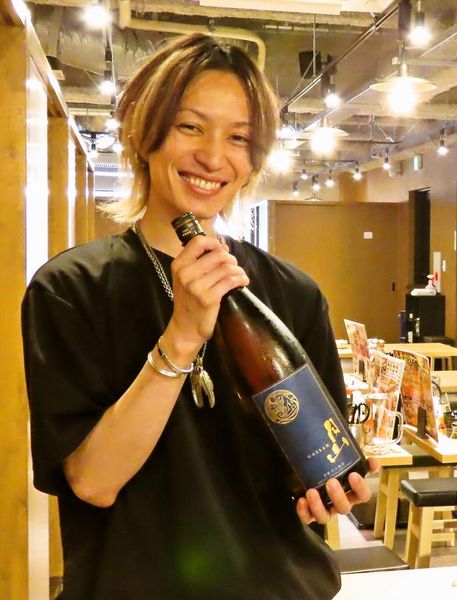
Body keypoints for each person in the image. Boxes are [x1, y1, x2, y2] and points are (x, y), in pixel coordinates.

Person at [22, 33, 376, 600]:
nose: (214, 158)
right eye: (190, 127)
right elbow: (92, 482)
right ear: (143, 134)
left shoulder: (295, 294)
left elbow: (316, 460)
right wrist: (182, 337)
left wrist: (329, 491)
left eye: (239, 138)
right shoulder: (71, 290)